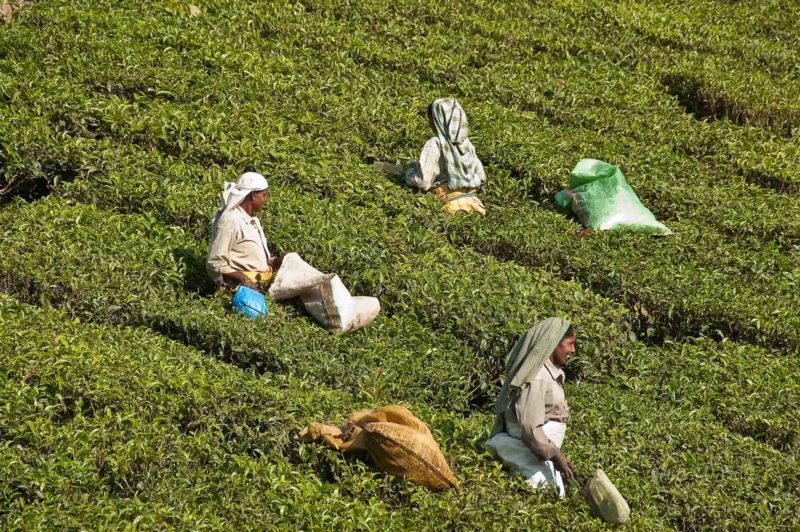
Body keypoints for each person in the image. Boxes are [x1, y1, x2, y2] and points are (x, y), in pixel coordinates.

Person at [486, 318, 576, 498]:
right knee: (539, 497)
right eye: (570, 344)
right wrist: (555, 456)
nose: (573, 350)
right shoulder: (538, 377)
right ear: (553, 344)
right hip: (529, 452)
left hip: (537, 453)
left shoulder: (549, 373)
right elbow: (529, 426)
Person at [405, 98, 487, 215]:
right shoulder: (466, 143)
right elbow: (482, 178)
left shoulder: (436, 144)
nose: (430, 124)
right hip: (475, 206)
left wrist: (409, 173)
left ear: (440, 120)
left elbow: (423, 182)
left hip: (448, 207)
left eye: (431, 120)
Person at [206, 172, 282, 290]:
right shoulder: (230, 220)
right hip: (241, 288)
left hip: (263, 282)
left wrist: (278, 261)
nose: (266, 200)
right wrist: (243, 278)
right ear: (253, 195)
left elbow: (253, 260)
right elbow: (215, 262)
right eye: (264, 195)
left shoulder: (253, 222)